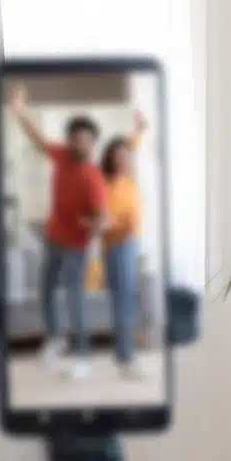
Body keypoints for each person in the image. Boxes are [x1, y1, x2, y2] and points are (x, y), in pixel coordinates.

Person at [8, 83, 108, 380]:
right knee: (46, 290)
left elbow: (103, 219)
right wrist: (18, 110)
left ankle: (85, 358)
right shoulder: (62, 155)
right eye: (76, 139)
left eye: (87, 141)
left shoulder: (93, 178)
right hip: (54, 237)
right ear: (71, 141)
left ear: (93, 144)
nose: (81, 145)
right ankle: (55, 339)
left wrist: (92, 225)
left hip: (77, 244)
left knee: (75, 298)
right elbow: (37, 139)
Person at [98, 109, 148, 378]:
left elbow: (130, 146)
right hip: (117, 246)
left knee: (126, 299)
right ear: (109, 159)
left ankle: (122, 354)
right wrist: (122, 225)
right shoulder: (104, 184)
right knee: (123, 301)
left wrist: (139, 129)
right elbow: (102, 222)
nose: (123, 159)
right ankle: (126, 357)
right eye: (117, 156)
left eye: (125, 156)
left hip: (130, 244)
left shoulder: (126, 177)